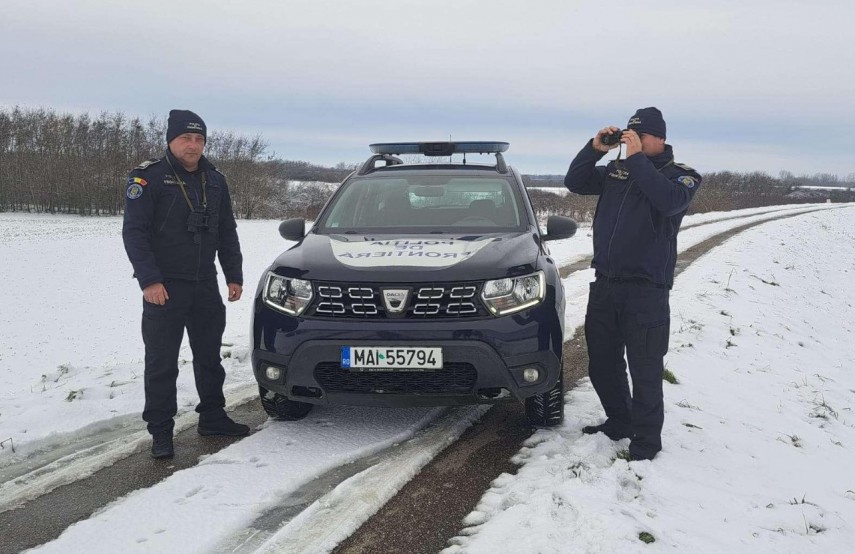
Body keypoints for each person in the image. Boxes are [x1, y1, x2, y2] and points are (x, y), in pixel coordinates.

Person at [564, 107, 701, 461]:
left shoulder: (682, 177)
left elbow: (669, 203)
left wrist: (637, 159)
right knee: (602, 363)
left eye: (640, 136)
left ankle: (646, 442)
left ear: (660, 138)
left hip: (646, 291)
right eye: (630, 135)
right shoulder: (616, 171)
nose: (632, 141)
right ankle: (620, 420)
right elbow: (575, 182)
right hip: (606, 284)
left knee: (645, 368)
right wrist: (595, 148)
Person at [122, 109, 249, 459]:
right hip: (164, 287)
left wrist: (233, 274)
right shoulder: (148, 178)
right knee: (161, 363)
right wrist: (149, 280)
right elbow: (135, 234)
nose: (192, 145)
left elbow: (227, 230)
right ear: (170, 140)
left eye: (199, 139)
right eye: (185, 138)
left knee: (209, 357)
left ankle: (212, 416)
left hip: (205, 284)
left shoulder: (215, 180)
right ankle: (161, 432)